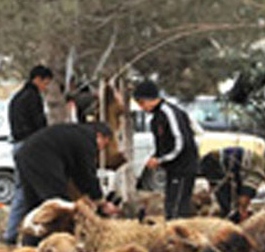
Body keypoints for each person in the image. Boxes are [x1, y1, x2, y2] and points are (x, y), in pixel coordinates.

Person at [14, 122, 118, 219]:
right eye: (105, 144)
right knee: (58, 204)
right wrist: (99, 199)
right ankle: (56, 234)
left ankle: (22, 236)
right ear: (99, 136)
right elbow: (86, 173)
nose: (102, 149)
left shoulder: (76, 133)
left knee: (33, 204)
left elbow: (78, 174)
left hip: (26, 154)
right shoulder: (87, 141)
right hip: (43, 159)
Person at [132, 79, 199, 219]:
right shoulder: (156, 118)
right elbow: (163, 144)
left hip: (183, 167)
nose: (142, 108)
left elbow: (180, 142)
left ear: (150, 99)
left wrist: (160, 160)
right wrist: (156, 158)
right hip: (172, 168)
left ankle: (179, 237)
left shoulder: (169, 112)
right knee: (171, 205)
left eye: (142, 103)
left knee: (176, 208)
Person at [3, 65, 53, 243]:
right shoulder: (33, 98)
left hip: (18, 145)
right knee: (28, 191)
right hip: (30, 147)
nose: (45, 87)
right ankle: (15, 234)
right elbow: (39, 126)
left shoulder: (16, 97)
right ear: (38, 79)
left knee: (20, 190)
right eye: (45, 83)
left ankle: (12, 232)